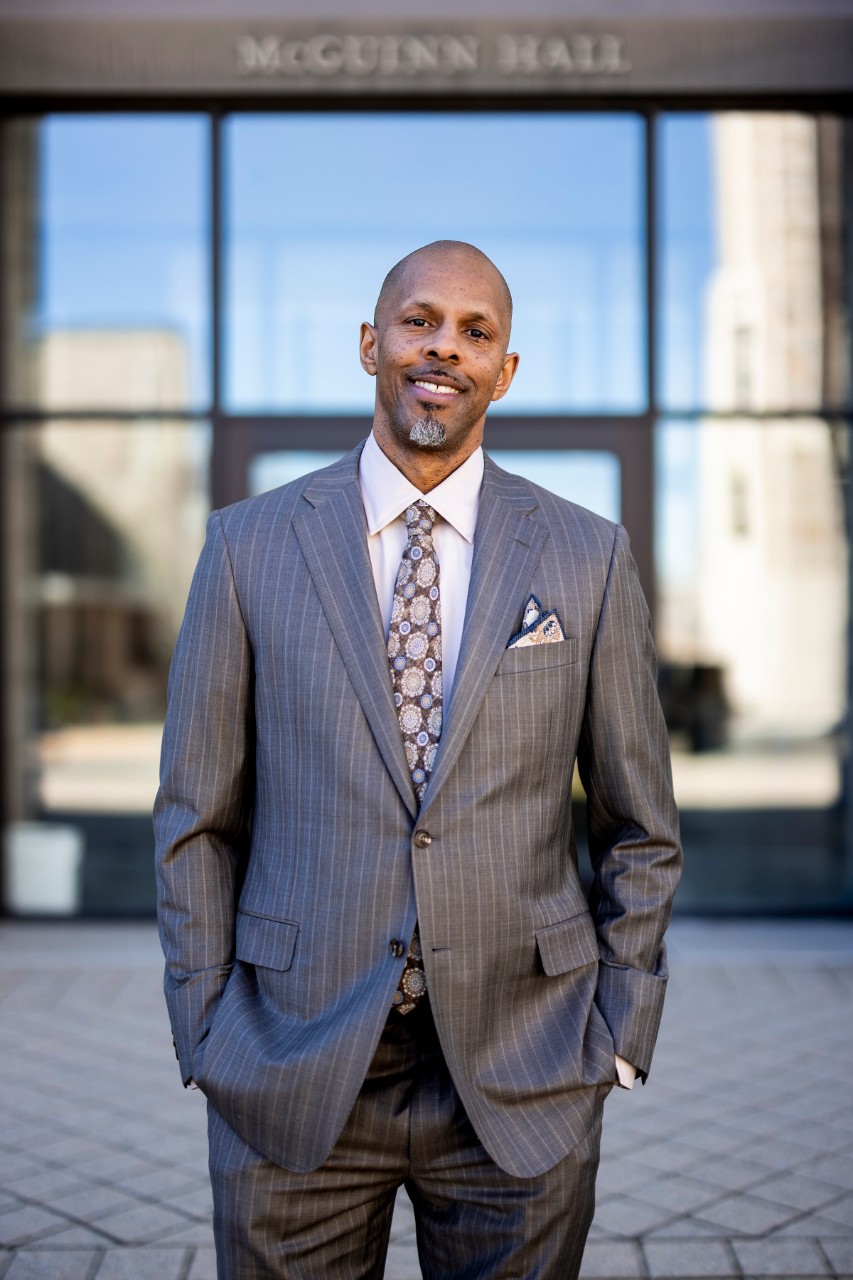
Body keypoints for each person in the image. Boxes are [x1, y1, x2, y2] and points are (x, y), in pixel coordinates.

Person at [155, 240, 682, 1280]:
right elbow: (195, 817)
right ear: (370, 344)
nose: (444, 347)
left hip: (524, 1068)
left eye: (475, 331)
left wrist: (617, 1029)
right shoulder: (247, 546)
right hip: (291, 1063)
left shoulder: (587, 554)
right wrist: (205, 1024)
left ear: (507, 369)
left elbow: (639, 821)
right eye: (419, 320)